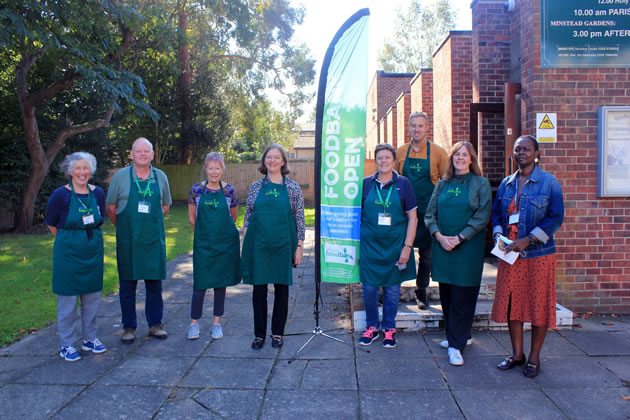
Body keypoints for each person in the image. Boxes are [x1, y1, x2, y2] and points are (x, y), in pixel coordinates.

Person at [491, 135, 564, 378]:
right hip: (510, 256)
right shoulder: (506, 184)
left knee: (538, 305)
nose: (521, 152)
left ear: (536, 153)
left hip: (538, 256)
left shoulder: (549, 183)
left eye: (526, 149)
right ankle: (517, 354)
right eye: (517, 149)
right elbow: (497, 215)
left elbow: (555, 218)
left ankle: (534, 358)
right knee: (513, 304)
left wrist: (529, 238)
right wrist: (499, 235)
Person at [424, 141, 491, 366]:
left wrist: (460, 237)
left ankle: (456, 345)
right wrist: (440, 237)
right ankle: (458, 336)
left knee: (463, 297)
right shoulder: (442, 184)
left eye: (465, 155)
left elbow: (481, 217)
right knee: (448, 296)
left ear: (472, 159)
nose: (460, 158)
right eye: (457, 154)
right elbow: (429, 215)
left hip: (467, 250)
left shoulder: (481, 184)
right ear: (452, 158)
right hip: (443, 249)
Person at [106, 138, 172, 344]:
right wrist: (127, 230)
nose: (143, 154)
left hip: (153, 242)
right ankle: (129, 327)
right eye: (138, 151)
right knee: (127, 287)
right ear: (132, 154)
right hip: (129, 243)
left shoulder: (160, 177)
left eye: (147, 151)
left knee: (154, 286)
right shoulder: (120, 177)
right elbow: (111, 208)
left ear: (152, 154)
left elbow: (165, 208)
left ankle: (155, 325)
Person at [241, 144, 305, 350]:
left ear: (283, 161)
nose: (272, 161)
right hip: (258, 245)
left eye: (277, 157)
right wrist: (246, 239)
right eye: (269, 157)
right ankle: (259, 335)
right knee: (258, 290)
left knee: (282, 290)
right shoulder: (255, 187)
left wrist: (300, 246)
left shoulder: (293, 188)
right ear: (264, 161)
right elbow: (248, 217)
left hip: (283, 245)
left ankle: (277, 333)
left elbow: (299, 218)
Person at [46, 152, 107, 361]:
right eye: (78, 168)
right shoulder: (60, 195)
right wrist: (71, 239)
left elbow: (101, 219)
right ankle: (67, 345)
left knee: (92, 299)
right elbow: (52, 223)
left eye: (86, 168)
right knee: (68, 301)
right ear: (70, 171)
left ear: (91, 170)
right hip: (68, 254)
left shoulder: (98, 192)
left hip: (92, 253)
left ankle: (90, 339)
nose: (82, 172)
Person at [359, 144, 418, 349]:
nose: (383, 161)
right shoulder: (366, 184)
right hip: (369, 248)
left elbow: (413, 217)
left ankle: (389, 329)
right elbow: (356, 217)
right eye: (379, 158)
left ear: (394, 161)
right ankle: (371, 327)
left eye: (387, 158)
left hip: (395, 247)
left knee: (392, 291)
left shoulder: (404, 184)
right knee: (369, 289)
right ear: (375, 161)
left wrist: (407, 248)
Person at [395, 112, 448, 309]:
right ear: (408, 128)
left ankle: (421, 291)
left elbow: (447, 180)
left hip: (427, 211)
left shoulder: (438, 152)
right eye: (413, 126)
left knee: (426, 255)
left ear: (427, 128)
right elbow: (395, 180)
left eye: (420, 126)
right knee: (400, 251)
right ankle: (393, 289)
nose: (416, 129)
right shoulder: (400, 152)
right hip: (404, 212)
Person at [187, 153, 240, 340]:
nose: (214, 172)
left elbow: (233, 217)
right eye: (210, 167)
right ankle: (194, 324)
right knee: (199, 285)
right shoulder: (196, 190)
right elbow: (192, 218)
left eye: (218, 168)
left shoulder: (229, 191)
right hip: (203, 245)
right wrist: (203, 236)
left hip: (224, 245)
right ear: (205, 169)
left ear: (223, 169)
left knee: (220, 285)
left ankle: (217, 324)